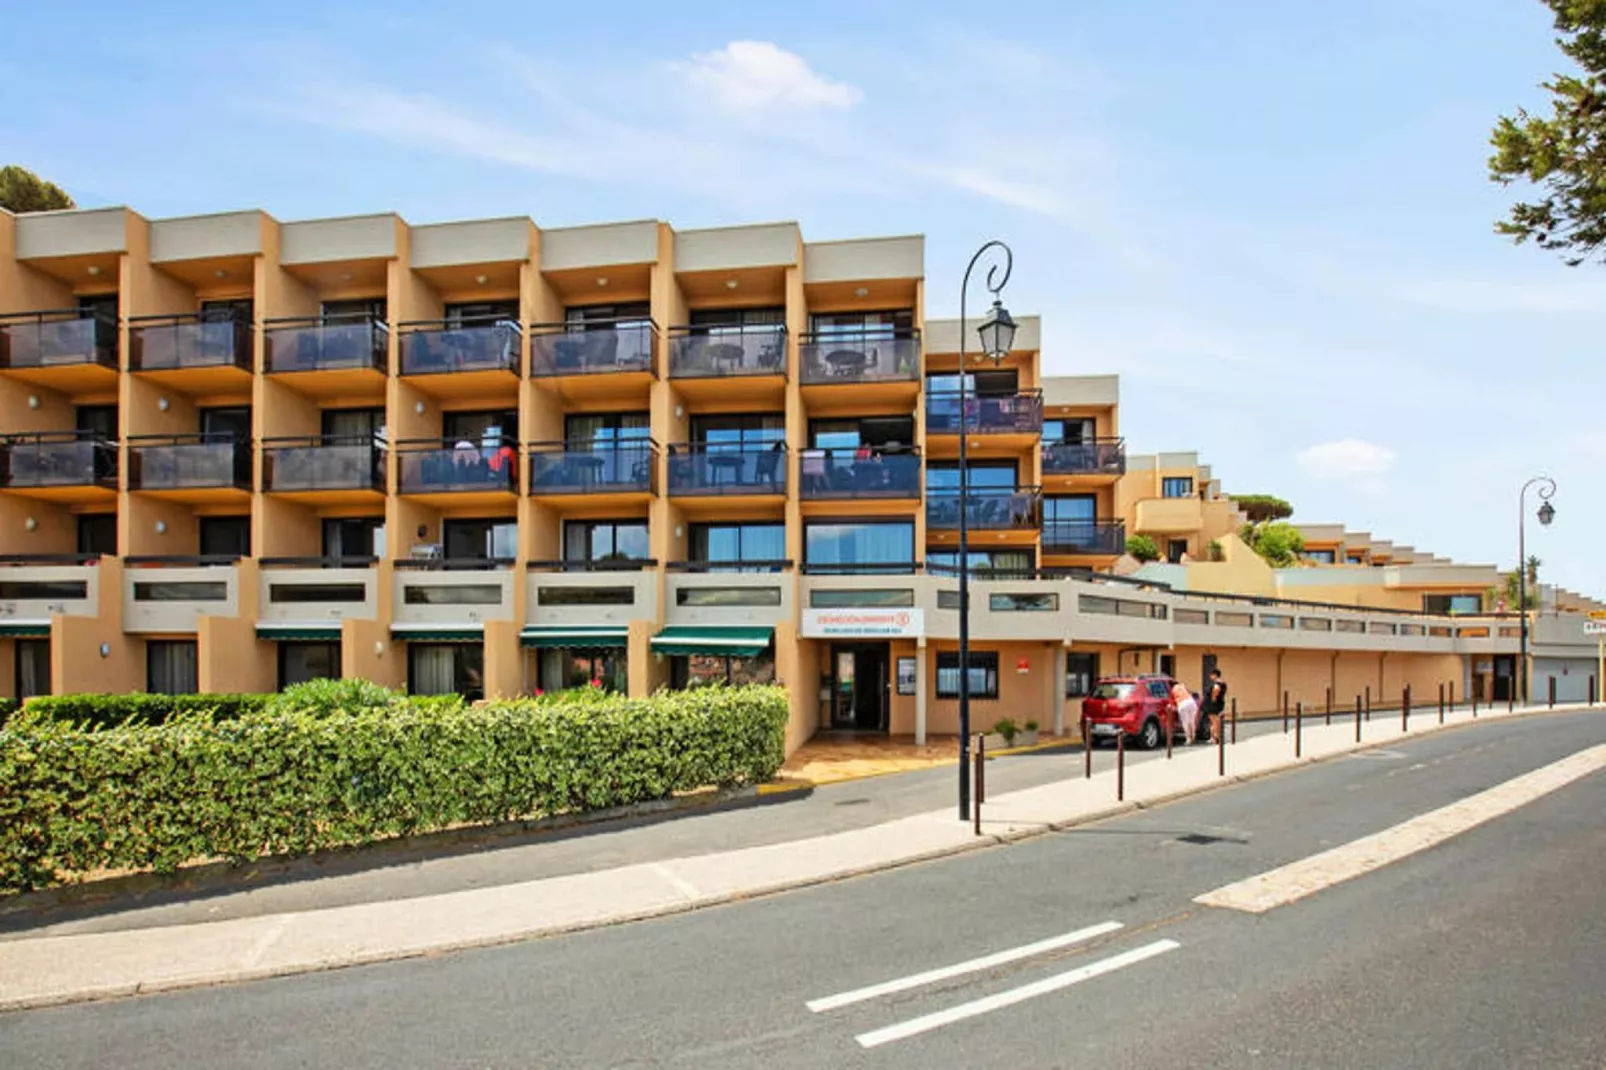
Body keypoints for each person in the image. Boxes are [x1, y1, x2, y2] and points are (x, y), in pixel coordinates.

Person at [1203, 668, 1228, 742]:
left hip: (1213, 705)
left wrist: (1213, 699)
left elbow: (1216, 690)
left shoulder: (1217, 683)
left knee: (1215, 721)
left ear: (1215, 675)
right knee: (1215, 721)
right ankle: (1214, 737)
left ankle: (1216, 737)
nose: (1210, 676)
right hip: (1218, 704)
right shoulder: (1222, 683)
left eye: (1211, 675)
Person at [1172, 681, 1200, 745]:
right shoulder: (1182, 686)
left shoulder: (1173, 689)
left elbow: (1173, 699)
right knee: (1192, 721)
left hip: (1183, 704)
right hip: (1191, 702)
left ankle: (1188, 739)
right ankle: (1193, 736)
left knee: (1185, 722)